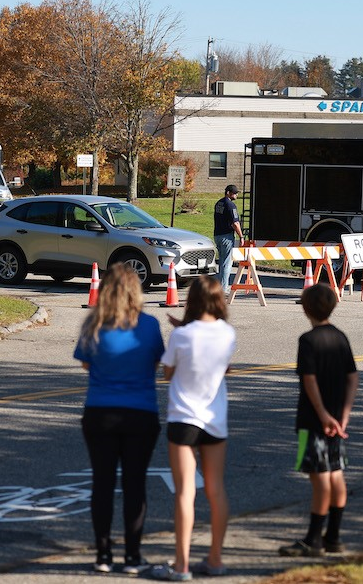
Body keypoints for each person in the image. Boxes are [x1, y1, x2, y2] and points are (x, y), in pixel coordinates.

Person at [73, 263, 165, 575]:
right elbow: (156, 363)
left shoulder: (94, 324)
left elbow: (86, 365)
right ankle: (133, 555)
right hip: (141, 412)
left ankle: (102, 554)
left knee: (102, 482)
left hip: (100, 411)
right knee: (134, 483)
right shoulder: (150, 325)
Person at [150, 275, 236, 581]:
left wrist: (180, 332)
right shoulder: (228, 333)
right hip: (215, 419)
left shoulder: (182, 336)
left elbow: (168, 374)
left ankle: (182, 565)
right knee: (216, 490)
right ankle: (215, 559)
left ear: (193, 300)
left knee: (185, 493)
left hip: (184, 418)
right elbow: (223, 367)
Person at [279, 283, 359, 558]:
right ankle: (333, 536)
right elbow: (353, 377)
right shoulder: (340, 337)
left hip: (314, 420)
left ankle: (313, 540)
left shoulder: (308, 341)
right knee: (336, 474)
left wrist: (322, 415)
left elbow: (309, 380)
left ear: (305, 308)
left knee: (320, 479)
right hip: (338, 420)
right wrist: (343, 415)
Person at [213, 184, 244, 294]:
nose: (236, 195)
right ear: (228, 193)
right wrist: (241, 236)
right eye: (235, 193)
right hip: (226, 236)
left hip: (217, 235)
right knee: (227, 263)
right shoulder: (231, 205)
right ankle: (223, 289)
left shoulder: (219, 203)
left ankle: (219, 287)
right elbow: (235, 223)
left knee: (221, 262)